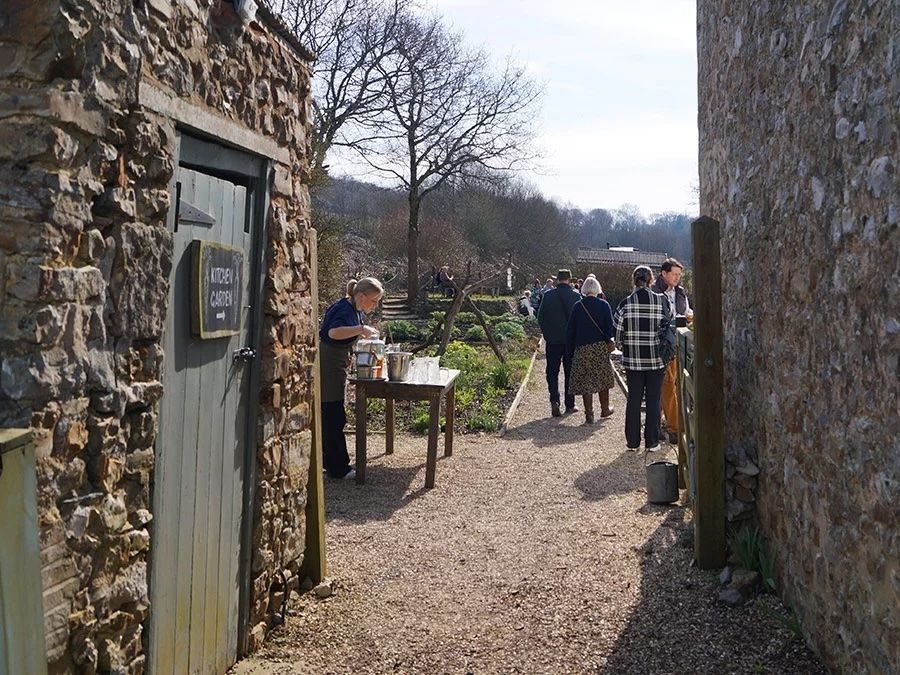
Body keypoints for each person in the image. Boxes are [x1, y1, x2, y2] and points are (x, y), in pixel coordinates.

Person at [319, 277, 384, 479]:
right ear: (361, 296)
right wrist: (360, 330)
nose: (375, 305)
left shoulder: (352, 309)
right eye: (373, 300)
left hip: (337, 361)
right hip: (328, 365)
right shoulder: (344, 309)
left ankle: (331, 462)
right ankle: (338, 469)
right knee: (333, 415)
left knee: (334, 414)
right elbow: (332, 332)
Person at [614, 265, 671, 452]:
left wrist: (625, 344)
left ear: (634, 280)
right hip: (656, 359)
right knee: (654, 400)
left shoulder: (625, 303)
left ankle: (632, 441)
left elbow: (617, 333)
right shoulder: (661, 301)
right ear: (651, 280)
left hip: (633, 360)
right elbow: (667, 326)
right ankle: (652, 442)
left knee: (634, 400)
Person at [651, 258, 691, 442]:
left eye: (679, 275)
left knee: (672, 383)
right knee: (667, 384)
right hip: (661, 345)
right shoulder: (653, 292)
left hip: (678, 343)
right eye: (674, 274)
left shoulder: (680, 293)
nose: (677, 278)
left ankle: (660, 425)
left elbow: (687, 312)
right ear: (663, 274)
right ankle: (674, 428)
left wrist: (689, 316)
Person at [565, 276, 616, 424]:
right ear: (598, 288)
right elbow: (609, 328)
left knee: (586, 381)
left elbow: (571, 331)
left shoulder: (577, 306)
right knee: (602, 379)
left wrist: (569, 351)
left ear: (584, 289)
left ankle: (589, 414)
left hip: (582, 348)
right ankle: (605, 409)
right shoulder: (604, 305)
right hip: (600, 347)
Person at [537, 269, 580, 417]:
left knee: (552, 371)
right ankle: (570, 404)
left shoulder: (548, 296)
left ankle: (554, 399)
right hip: (570, 341)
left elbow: (540, 317)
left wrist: (547, 334)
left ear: (557, 281)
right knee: (570, 371)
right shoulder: (576, 296)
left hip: (553, 340)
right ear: (569, 280)